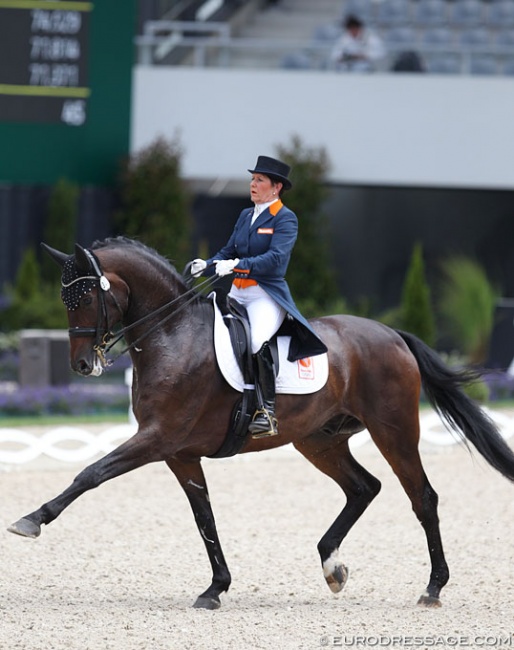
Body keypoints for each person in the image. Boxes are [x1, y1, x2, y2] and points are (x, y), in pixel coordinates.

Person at [189, 155, 328, 439]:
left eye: (259, 180)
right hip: (238, 292)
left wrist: (239, 265)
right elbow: (228, 251)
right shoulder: (245, 215)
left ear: (275, 187)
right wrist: (208, 264)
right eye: (252, 179)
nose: (253, 184)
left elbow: (275, 259)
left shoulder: (284, 217)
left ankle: (266, 411)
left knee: (255, 341)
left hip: (265, 294)